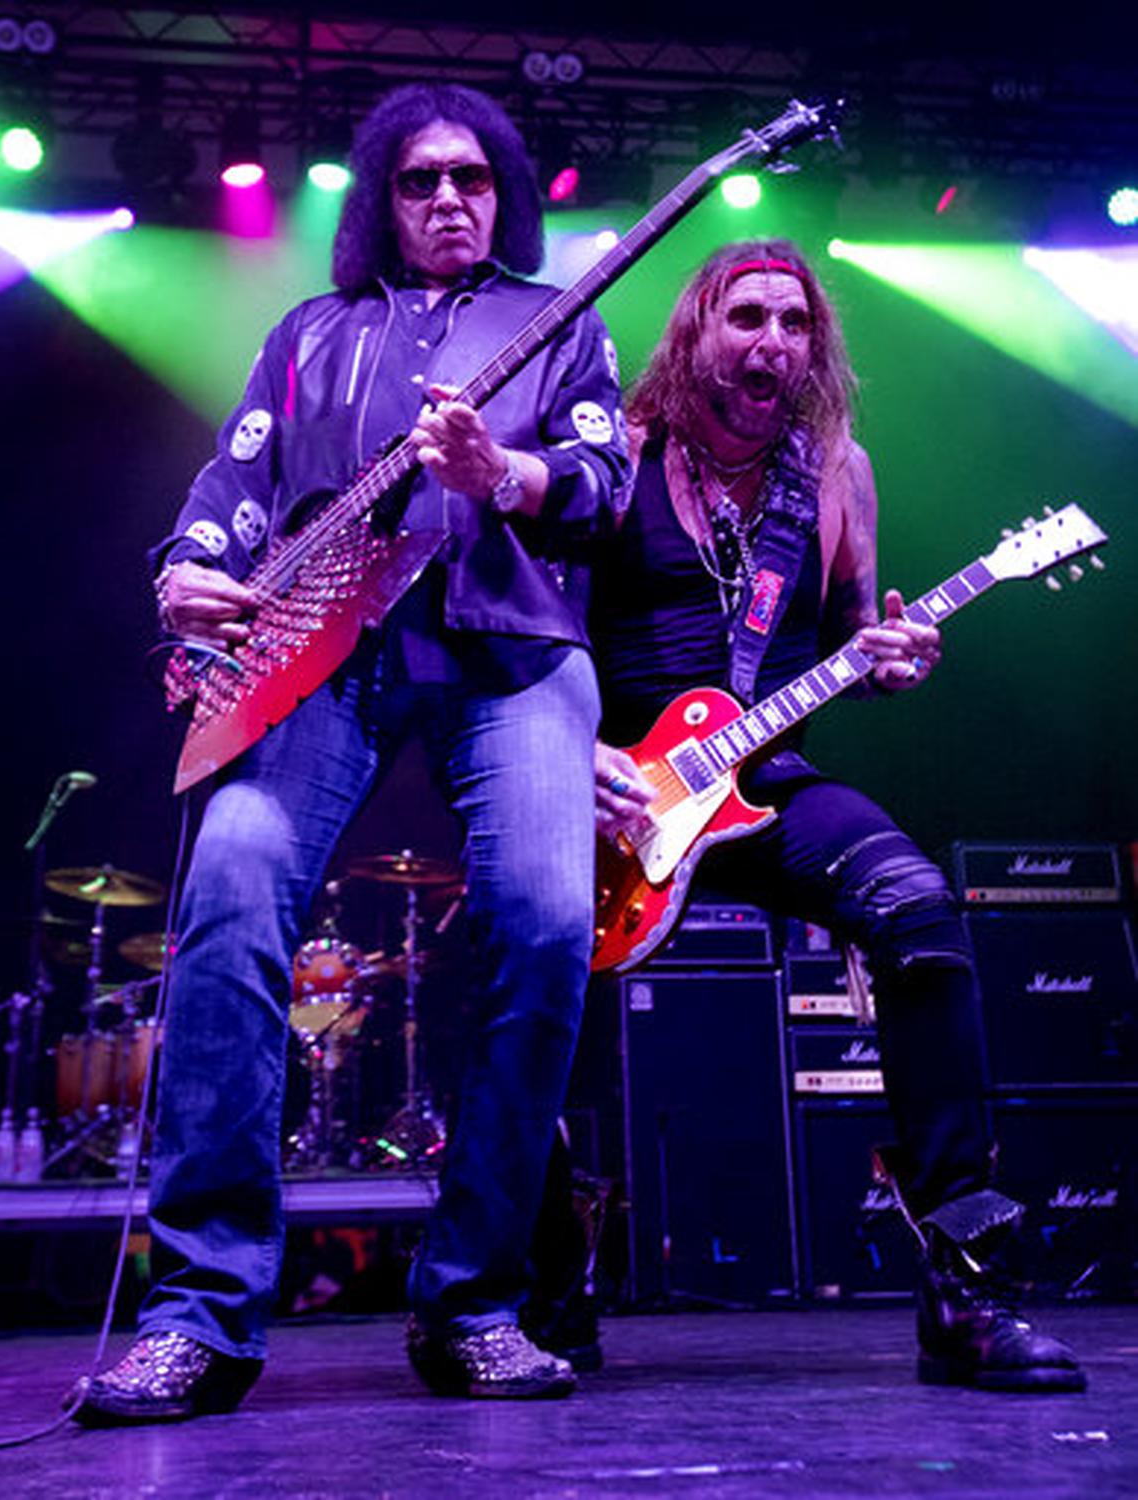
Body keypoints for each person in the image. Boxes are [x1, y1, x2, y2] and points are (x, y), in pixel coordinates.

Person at [74, 83, 628, 1424]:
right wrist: (184, 575)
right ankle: (199, 1315)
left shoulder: (560, 323)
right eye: (420, 180)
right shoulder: (311, 335)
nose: (447, 200)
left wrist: (501, 474)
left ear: (503, 195)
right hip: (321, 661)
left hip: (513, 653)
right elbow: (232, 491)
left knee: (548, 926)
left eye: (472, 179)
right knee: (229, 897)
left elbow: (603, 484)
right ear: (382, 199)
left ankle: (474, 1304)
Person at [588, 239, 1085, 1393]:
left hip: (764, 785)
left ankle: (966, 1288)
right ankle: (539, 1289)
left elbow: (861, 634)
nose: (773, 341)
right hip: (610, 790)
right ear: (696, 333)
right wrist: (577, 756)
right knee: (532, 973)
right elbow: (540, 633)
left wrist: (895, 658)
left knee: (919, 911)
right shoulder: (620, 452)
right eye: (747, 318)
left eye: (795, 322)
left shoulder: (834, 471)